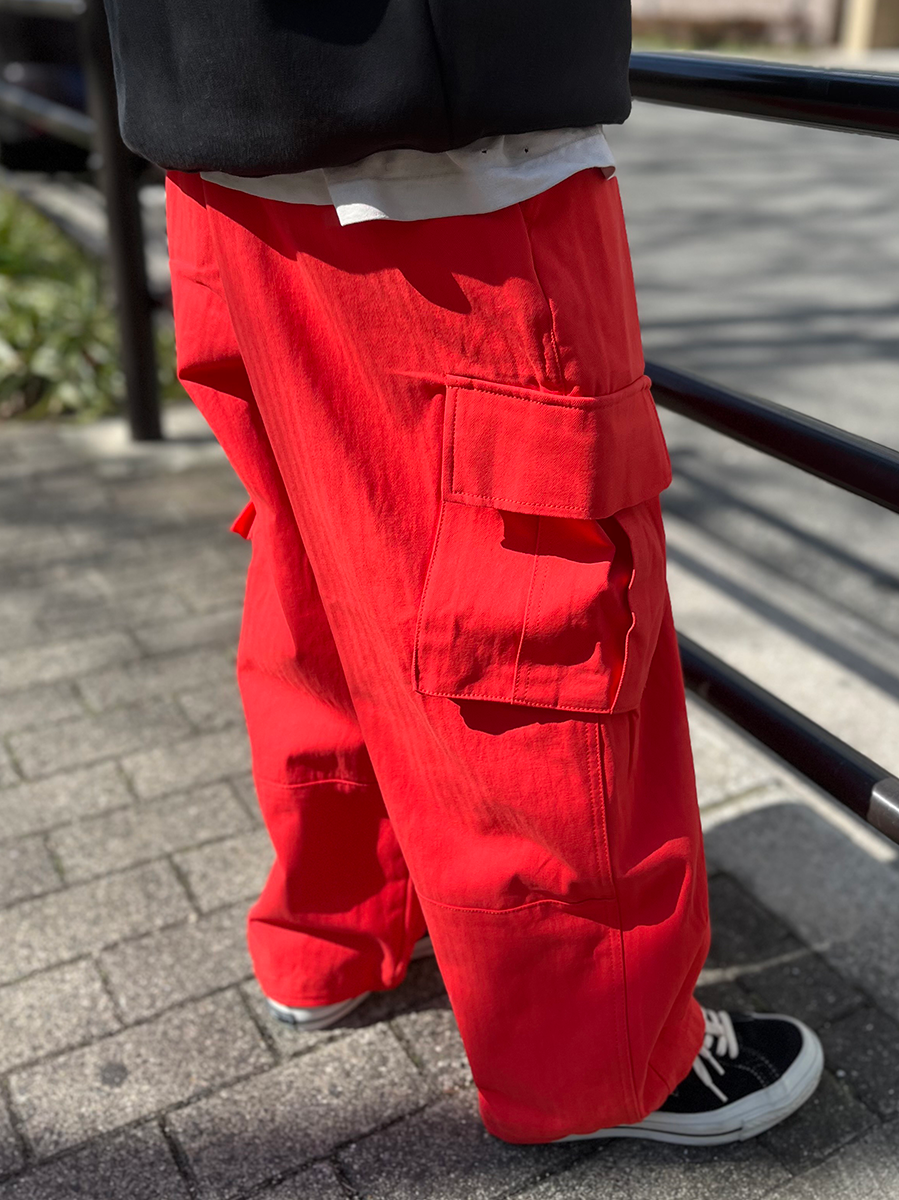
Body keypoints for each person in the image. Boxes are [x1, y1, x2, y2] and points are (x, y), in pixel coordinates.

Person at [102, 0, 823, 1146]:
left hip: (213, 130)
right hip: (445, 148)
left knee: (317, 572)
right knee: (532, 612)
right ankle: (597, 1062)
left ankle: (335, 935)